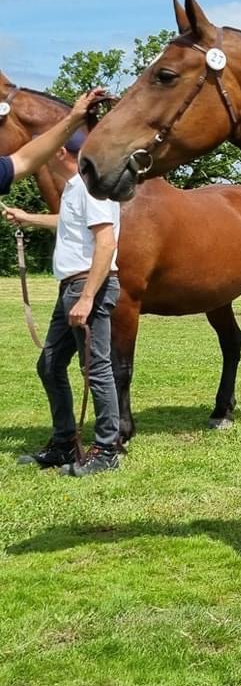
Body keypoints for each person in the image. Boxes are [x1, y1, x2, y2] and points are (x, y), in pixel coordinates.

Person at [2, 88, 123, 476]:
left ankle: (107, 450)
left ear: (59, 153)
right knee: (50, 365)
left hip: (87, 286)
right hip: (70, 287)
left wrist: (88, 296)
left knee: (96, 369)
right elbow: (69, 224)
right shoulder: (73, 191)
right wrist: (29, 218)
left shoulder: (93, 186)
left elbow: (106, 241)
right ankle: (63, 444)